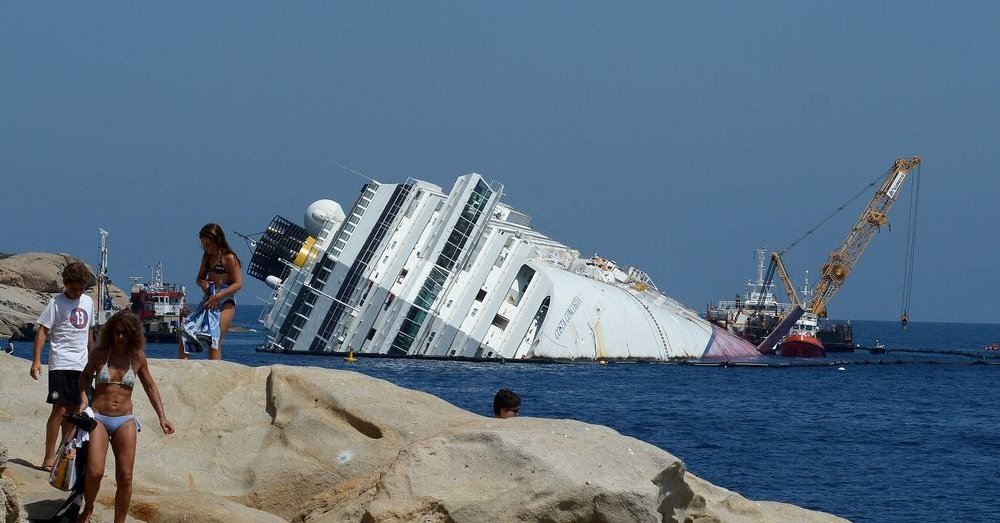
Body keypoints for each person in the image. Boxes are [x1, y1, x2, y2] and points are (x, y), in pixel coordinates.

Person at [77, 311, 174, 523]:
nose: (120, 337)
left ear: (132, 335)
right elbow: (84, 377)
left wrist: (162, 417)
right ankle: (89, 507)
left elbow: (150, 386)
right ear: (111, 332)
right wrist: (84, 400)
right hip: (99, 418)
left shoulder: (137, 357)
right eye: (117, 332)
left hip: (124, 420)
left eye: (125, 333)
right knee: (95, 472)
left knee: (126, 476)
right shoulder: (100, 354)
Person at [30, 261, 95, 472]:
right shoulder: (56, 303)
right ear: (66, 284)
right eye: (74, 288)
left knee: (76, 409)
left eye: (81, 288)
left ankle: (62, 454)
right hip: (61, 362)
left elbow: (89, 333)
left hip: (82, 364)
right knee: (59, 409)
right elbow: (42, 331)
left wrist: (94, 360)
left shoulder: (88, 302)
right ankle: (48, 457)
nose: (77, 292)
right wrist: (36, 361)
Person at [177, 223, 243, 360]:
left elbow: (238, 284)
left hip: (225, 302)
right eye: (203, 245)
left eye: (208, 244)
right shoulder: (207, 257)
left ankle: (215, 373)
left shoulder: (229, 258)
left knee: (215, 338)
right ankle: (182, 366)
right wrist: (203, 284)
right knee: (185, 332)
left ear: (217, 241)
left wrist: (218, 296)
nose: (206, 248)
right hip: (209, 300)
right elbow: (199, 279)